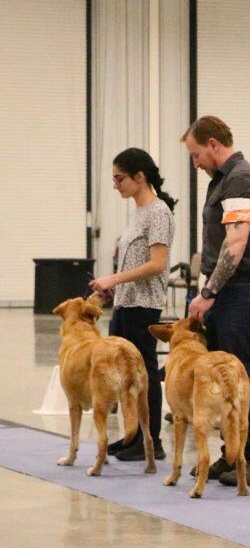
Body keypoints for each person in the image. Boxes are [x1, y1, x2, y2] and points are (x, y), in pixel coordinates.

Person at [182, 115, 250, 487]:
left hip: (244, 287)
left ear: (214, 145)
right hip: (229, 290)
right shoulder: (222, 181)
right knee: (222, 375)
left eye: (196, 154)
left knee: (239, 373)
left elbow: (235, 246)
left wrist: (208, 294)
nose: (195, 163)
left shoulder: (241, 180)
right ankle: (231, 453)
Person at [88, 148, 175, 461]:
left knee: (144, 374)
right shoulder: (138, 212)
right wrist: (112, 287)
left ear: (140, 177)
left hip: (144, 305)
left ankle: (151, 440)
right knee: (124, 375)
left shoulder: (158, 212)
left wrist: (115, 279)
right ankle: (132, 435)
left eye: (120, 178)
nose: (116, 185)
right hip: (126, 304)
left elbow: (157, 263)